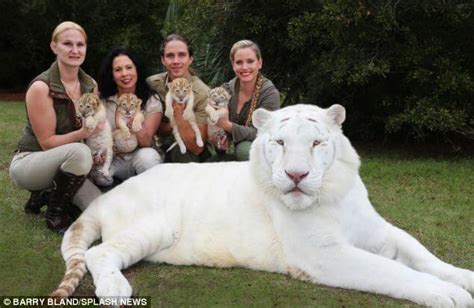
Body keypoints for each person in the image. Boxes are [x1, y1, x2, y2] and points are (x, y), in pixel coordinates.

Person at [9, 21, 102, 234]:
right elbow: (47, 142)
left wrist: (97, 153)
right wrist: (82, 134)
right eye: (67, 44)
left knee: (100, 209)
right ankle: (55, 215)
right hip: (31, 161)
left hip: (70, 162)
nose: (75, 50)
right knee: (80, 151)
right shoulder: (41, 87)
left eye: (80, 44)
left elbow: (91, 128)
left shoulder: (90, 85)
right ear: (54, 47)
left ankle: (49, 194)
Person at [95, 48, 163, 186]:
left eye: (129, 67)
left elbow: (146, 142)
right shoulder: (103, 101)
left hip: (139, 155)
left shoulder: (151, 100)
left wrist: (135, 119)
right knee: (99, 175)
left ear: (137, 69)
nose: (125, 74)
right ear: (112, 75)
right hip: (113, 158)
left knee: (148, 157)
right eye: (118, 70)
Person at [146, 34, 210, 163]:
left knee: (182, 154)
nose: (176, 61)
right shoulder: (152, 83)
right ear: (163, 60)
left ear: (190, 59)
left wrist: (178, 115)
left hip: (189, 152)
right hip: (157, 146)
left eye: (181, 55)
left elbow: (197, 147)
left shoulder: (202, 93)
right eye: (170, 55)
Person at [215, 40, 281, 161]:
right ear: (233, 65)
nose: (245, 67)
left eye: (250, 61)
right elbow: (215, 123)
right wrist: (219, 134)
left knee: (244, 150)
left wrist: (228, 126)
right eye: (239, 62)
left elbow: (267, 133)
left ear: (259, 63)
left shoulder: (269, 94)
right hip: (229, 152)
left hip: (263, 150)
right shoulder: (225, 90)